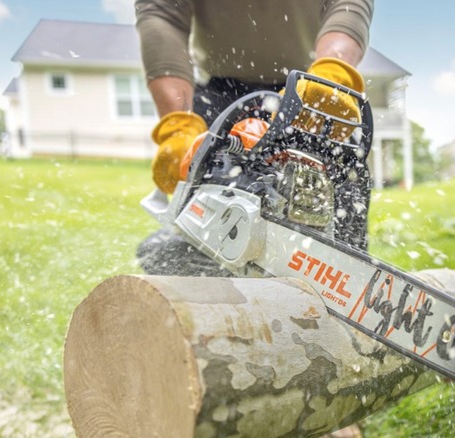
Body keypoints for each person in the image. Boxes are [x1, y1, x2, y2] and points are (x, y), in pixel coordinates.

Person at [134, 0, 376, 277]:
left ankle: (346, 274)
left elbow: (348, 4)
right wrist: (179, 124)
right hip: (220, 89)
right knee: (200, 229)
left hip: (307, 84)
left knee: (343, 189)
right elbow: (162, 14)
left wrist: (332, 73)